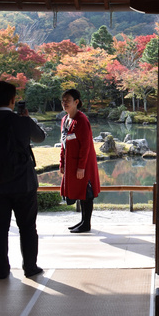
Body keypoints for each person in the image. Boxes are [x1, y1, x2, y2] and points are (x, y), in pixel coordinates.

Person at [0, 81, 46, 279]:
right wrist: (27, 120)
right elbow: (40, 137)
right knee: (27, 227)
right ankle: (30, 267)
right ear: (13, 100)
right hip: (23, 183)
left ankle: (1, 271)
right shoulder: (22, 122)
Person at [59, 88, 101, 233]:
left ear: (76, 102)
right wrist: (62, 163)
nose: (64, 103)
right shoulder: (65, 119)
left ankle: (86, 223)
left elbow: (86, 146)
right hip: (71, 162)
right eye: (63, 101)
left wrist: (81, 167)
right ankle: (82, 221)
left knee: (86, 192)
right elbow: (63, 143)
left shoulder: (81, 120)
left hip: (83, 164)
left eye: (68, 101)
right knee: (79, 192)